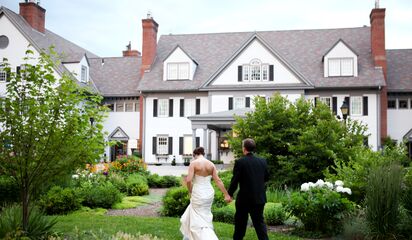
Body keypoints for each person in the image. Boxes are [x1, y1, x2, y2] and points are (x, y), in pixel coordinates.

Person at [180, 147, 231, 240]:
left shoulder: (194, 163)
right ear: (203, 153)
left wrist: (190, 191)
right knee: (204, 215)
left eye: (193, 156)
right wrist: (226, 194)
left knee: (196, 216)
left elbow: (188, 180)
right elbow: (218, 181)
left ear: (195, 154)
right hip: (208, 193)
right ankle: (188, 237)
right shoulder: (211, 164)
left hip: (198, 192)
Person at [228, 138, 269, 240]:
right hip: (259, 198)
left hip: (244, 200)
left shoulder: (240, 162)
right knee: (259, 224)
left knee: (240, 224)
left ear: (244, 148)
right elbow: (266, 177)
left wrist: (229, 194)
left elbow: (235, 181)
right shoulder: (263, 161)